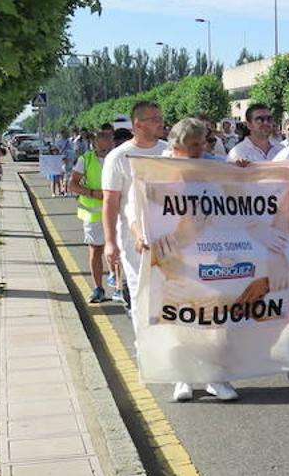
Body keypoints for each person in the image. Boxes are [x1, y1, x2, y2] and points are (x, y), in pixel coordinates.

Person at [155, 118, 247, 402]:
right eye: (193, 144)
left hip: (213, 251)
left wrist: (241, 171)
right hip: (176, 253)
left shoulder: (214, 163)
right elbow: (142, 207)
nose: (200, 148)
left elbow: (238, 193)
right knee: (182, 315)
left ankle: (216, 378)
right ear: (176, 144)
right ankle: (184, 378)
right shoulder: (158, 168)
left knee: (217, 317)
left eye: (202, 142)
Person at [102, 100, 169, 319]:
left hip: (170, 239)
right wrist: (110, 242)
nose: (161, 123)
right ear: (138, 124)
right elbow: (110, 203)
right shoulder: (118, 157)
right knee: (142, 295)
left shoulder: (169, 151)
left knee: (168, 296)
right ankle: (144, 347)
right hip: (135, 241)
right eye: (155, 119)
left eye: (161, 118)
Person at [70, 128, 117, 303]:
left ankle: (119, 287)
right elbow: (73, 185)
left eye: (108, 149)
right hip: (94, 215)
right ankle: (98, 288)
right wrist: (92, 192)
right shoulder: (86, 159)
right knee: (96, 250)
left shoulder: (118, 158)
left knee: (118, 249)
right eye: (102, 150)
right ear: (95, 145)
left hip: (117, 212)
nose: (105, 153)